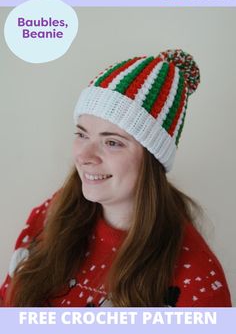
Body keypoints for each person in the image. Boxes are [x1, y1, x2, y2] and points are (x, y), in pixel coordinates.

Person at [0, 49, 232, 307]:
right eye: (82, 134)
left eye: (112, 142)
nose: (85, 156)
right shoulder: (51, 215)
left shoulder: (196, 277)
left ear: (153, 160)